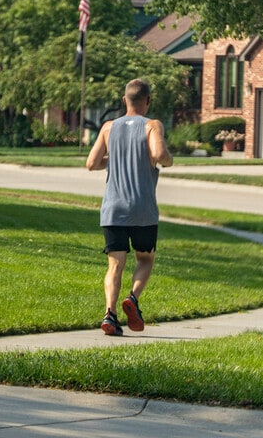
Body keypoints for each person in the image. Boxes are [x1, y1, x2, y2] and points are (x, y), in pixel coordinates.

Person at [86, 79, 173, 335]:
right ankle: (132, 299)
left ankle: (110, 315)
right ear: (147, 101)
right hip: (142, 209)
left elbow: (91, 163)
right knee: (145, 259)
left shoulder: (108, 127)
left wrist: (117, 157)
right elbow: (158, 155)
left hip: (112, 209)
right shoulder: (152, 125)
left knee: (115, 264)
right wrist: (168, 159)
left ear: (125, 101)